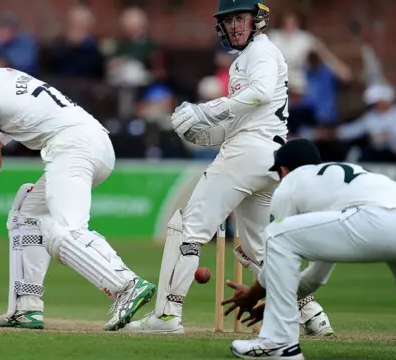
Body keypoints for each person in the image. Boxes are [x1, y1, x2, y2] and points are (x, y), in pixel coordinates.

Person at [123, 0, 333, 336]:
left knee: (191, 226)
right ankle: (312, 315)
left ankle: (167, 315)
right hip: (268, 161)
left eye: (241, 19)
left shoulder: (260, 53)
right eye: (229, 20)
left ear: (258, 20)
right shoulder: (246, 60)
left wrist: (206, 111)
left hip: (248, 153)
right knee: (259, 248)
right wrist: (200, 130)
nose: (235, 26)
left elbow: (261, 94)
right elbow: (241, 116)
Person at [0, 36, 155, 330]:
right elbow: (19, 122)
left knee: (64, 230)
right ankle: (25, 308)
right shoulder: (6, 77)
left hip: (73, 146)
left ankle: (126, 284)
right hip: (91, 142)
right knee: (27, 214)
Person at [222, 138, 396, 359]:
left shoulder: (291, 183)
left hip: (378, 219)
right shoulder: (336, 187)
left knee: (276, 235)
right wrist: (280, 300)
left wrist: (254, 294)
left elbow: (278, 244)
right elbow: (316, 276)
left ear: (283, 170)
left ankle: (280, 343)